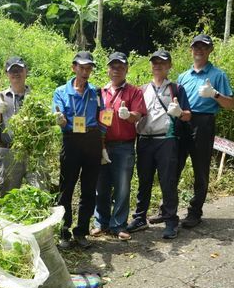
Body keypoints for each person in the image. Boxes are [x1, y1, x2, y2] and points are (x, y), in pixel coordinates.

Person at [126, 50, 191, 239]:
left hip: (167, 140)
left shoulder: (176, 89)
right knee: (144, 181)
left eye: (162, 63)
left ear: (169, 65)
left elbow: (188, 115)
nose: (157, 66)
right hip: (145, 140)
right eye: (154, 62)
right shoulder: (142, 89)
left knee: (168, 181)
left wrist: (179, 112)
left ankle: (171, 220)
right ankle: (139, 218)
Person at [171, 34, 233, 228]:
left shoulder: (217, 75)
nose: (199, 50)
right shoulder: (183, 76)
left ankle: (194, 212)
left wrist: (214, 94)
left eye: (203, 47)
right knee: (173, 166)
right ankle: (168, 210)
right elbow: (176, 101)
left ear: (210, 50)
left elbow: (230, 105)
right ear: (191, 49)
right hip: (182, 122)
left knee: (200, 169)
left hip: (204, 123)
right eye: (196, 47)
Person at [90, 52, 146, 241]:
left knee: (122, 187)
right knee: (101, 186)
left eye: (120, 67)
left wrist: (127, 115)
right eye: (113, 67)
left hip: (124, 146)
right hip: (102, 144)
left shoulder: (134, 91)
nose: (116, 70)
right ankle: (101, 222)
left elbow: (138, 115)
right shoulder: (99, 92)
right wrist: (99, 145)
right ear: (107, 69)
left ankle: (118, 224)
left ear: (126, 69)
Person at [52, 51, 103, 249]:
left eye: (88, 68)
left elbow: (103, 116)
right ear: (74, 67)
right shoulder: (61, 91)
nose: (85, 72)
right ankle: (64, 231)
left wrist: (103, 143)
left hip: (92, 140)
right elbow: (58, 115)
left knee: (89, 190)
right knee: (66, 189)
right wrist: (61, 120)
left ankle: (81, 232)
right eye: (81, 68)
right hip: (71, 139)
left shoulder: (95, 92)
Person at [0, 56, 47, 194]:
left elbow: (44, 125)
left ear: (26, 71)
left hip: (33, 152)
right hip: (8, 152)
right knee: (7, 194)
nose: (16, 73)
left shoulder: (33, 96)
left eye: (19, 70)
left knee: (39, 191)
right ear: (7, 74)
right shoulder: (0, 96)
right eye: (12, 71)